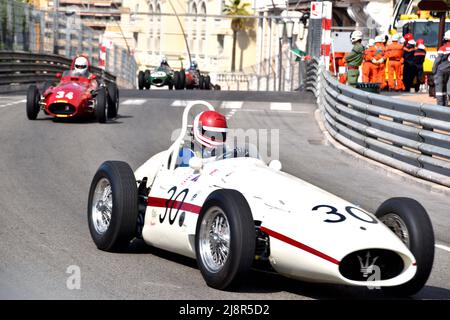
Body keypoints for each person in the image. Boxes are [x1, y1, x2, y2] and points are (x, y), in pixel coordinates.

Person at [433, 30, 450, 105]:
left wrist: (433, 70)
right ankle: (446, 104)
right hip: (449, 71)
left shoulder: (442, 48)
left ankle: (440, 105)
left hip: (440, 71)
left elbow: (437, 60)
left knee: (439, 89)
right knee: (447, 88)